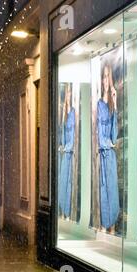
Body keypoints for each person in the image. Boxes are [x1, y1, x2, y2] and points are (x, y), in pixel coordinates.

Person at [97, 62, 120, 232]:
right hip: (100, 154)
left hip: (109, 155)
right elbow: (97, 134)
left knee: (111, 189)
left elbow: (114, 135)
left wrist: (116, 103)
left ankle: (112, 225)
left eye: (108, 77)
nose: (106, 80)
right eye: (104, 77)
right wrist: (106, 144)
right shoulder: (97, 104)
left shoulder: (111, 106)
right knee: (102, 189)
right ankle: (103, 224)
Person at [58, 83, 76, 219]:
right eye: (67, 92)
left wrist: (67, 148)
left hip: (71, 154)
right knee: (63, 182)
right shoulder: (64, 113)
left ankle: (68, 214)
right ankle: (63, 213)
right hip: (65, 154)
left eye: (71, 92)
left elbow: (74, 136)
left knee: (69, 183)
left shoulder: (74, 112)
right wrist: (62, 147)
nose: (69, 95)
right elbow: (63, 135)